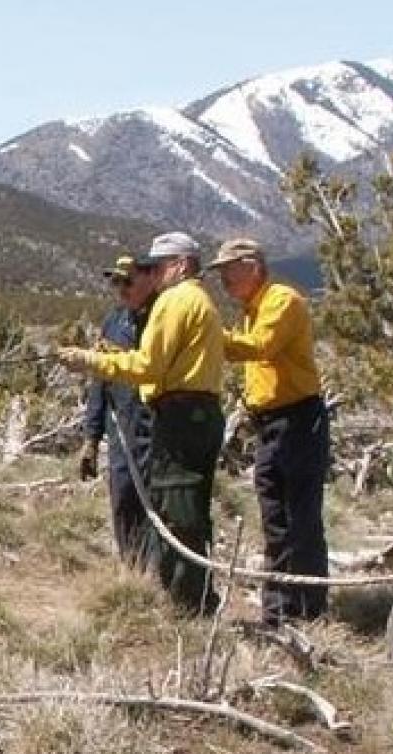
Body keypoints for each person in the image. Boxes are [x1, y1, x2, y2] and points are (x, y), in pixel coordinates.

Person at [58, 232, 226, 614]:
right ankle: (181, 593)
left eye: (156, 266)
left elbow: (147, 365)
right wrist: (92, 434)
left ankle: (188, 603)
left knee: (177, 510)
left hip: (179, 418)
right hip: (189, 416)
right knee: (174, 508)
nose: (151, 275)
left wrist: (90, 360)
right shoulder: (195, 302)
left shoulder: (175, 301)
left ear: (180, 265)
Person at [208, 238, 330, 625]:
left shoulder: (281, 301)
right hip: (271, 426)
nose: (224, 279)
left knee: (301, 519)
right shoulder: (251, 310)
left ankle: (307, 611)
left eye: (229, 269)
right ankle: (277, 611)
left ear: (253, 266)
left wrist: (207, 335)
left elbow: (261, 347)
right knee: (275, 518)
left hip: (297, 423)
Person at [79, 255, 158, 568]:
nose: (121, 288)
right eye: (116, 282)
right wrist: (91, 437)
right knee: (123, 499)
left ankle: (156, 575)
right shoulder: (113, 321)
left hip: (154, 426)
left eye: (128, 280)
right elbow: (101, 380)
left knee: (152, 504)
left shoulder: (160, 319)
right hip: (121, 429)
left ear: (148, 279)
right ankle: (131, 570)